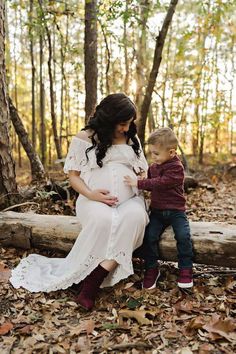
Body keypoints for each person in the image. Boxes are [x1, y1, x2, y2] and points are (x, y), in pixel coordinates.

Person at [10, 93, 149, 310]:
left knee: (135, 219)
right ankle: (87, 274)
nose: (126, 128)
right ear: (108, 120)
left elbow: (143, 171)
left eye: (129, 123)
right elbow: (73, 176)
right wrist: (92, 194)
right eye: (122, 123)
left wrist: (141, 179)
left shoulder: (132, 138)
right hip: (91, 199)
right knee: (103, 221)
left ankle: (94, 278)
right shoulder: (84, 137)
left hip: (130, 200)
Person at [124, 127, 193, 289]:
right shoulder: (154, 166)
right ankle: (152, 268)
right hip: (157, 211)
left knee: (183, 236)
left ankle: (185, 269)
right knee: (149, 237)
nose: (152, 157)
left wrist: (139, 183)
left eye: (156, 153)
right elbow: (149, 178)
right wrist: (141, 177)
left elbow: (161, 183)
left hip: (176, 211)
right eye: (151, 153)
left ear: (171, 152)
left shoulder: (176, 168)